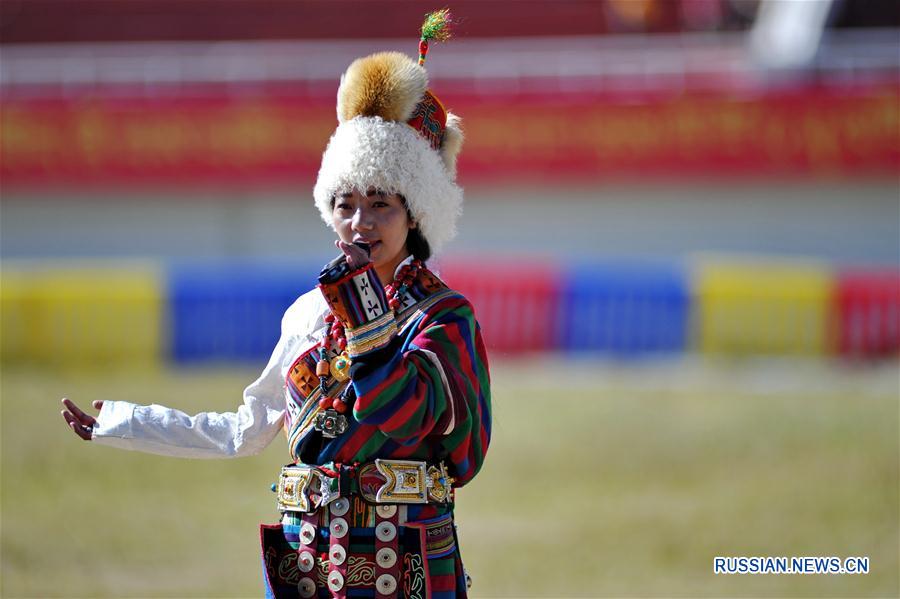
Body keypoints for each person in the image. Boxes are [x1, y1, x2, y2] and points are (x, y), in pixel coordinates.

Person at [60, 12, 491, 598]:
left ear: (413, 213)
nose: (360, 223)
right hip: (308, 561)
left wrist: (368, 325)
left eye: (381, 205)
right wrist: (123, 422)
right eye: (345, 203)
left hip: (404, 563)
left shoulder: (442, 316)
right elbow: (247, 429)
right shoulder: (308, 314)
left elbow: (418, 419)